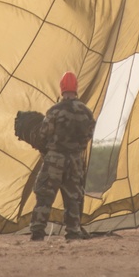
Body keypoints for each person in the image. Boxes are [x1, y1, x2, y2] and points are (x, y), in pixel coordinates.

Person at [29, 71, 96, 241]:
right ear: (76, 88)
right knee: (73, 198)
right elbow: (89, 136)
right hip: (75, 161)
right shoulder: (87, 113)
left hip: (54, 160)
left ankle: (38, 232)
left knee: (44, 195)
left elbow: (43, 135)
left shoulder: (54, 111)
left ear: (62, 88)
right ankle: (73, 231)